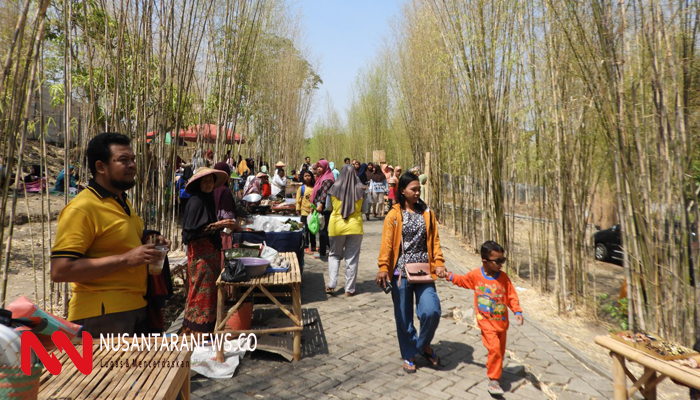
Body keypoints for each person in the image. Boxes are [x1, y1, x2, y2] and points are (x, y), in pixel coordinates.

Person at [51, 132, 169, 335]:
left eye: (132, 159)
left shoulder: (122, 201)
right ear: (100, 167)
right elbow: (60, 270)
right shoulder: (82, 208)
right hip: (103, 315)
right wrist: (126, 259)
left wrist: (151, 241)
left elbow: (120, 242)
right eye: (123, 160)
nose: (132, 165)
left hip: (135, 308)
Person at [375, 172, 445, 374]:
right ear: (402, 191)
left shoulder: (427, 212)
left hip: (424, 271)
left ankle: (422, 344)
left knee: (431, 310)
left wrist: (439, 263)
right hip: (400, 273)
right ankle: (409, 353)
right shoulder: (394, 215)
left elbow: (435, 241)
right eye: (413, 189)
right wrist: (383, 268)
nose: (417, 192)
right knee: (403, 317)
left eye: (418, 189)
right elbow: (387, 244)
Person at [441, 241, 524, 395]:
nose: (501, 264)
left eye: (502, 260)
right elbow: (463, 281)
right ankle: (494, 380)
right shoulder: (476, 276)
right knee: (494, 348)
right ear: (485, 261)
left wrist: (517, 311)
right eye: (497, 261)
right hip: (486, 322)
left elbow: (511, 296)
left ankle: (493, 366)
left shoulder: (504, 278)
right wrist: (449, 275)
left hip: (502, 324)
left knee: (499, 350)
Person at [181, 167, 239, 334]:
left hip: (210, 254)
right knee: (200, 290)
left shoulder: (208, 199)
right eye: (205, 181)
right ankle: (196, 329)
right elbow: (192, 232)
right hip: (200, 256)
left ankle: (205, 328)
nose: (208, 184)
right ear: (198, 183)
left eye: (211, 181)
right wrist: (219, 225)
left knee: (208, 290)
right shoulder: (196, 201)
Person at [325, 164, 364, 296]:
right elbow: (365, 209)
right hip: (355, 227)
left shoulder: (333, 188)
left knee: (334, 255)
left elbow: (328, 207)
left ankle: (331, 284)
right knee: (351, 258)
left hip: (336, 226)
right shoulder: (361, 189)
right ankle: (349, 289)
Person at [311, 159, 335, 259]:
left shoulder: (327, 179)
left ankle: (322, 253)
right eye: (318, 167)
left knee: (323, 230)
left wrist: (320, 205)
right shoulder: (322, 177)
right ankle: (330, 249)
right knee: (323, 230)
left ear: (326, 167)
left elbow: (324, 193)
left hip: (324, 209)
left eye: (321, 167)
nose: (319, 169)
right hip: (320, 207)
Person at [296, 170, 316, 254]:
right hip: (304, 212)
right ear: (303, 178)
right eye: (305, 176)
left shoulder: (315, 187)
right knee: (306, 230)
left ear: (311, 177)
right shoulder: (302, 188)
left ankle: (314, 245)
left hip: (313, 212)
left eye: (309, 176)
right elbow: (298, 200)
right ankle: (306, 245)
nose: (307, 177)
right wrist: (298, 209)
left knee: (313, 229)